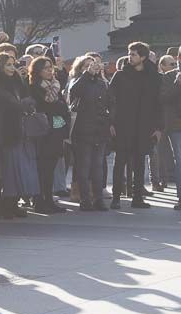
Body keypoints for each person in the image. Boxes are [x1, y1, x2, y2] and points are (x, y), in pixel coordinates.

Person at [109, 42, 163, 209]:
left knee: (139, 163)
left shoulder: (153, 76)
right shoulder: (120, 75)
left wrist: (158, 128)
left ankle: (137, 197)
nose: (129, 57)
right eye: (129, 53)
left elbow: (158, 103)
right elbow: (110, 99)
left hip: (144, 126)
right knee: (120, 162)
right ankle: (116, 197)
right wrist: (111, 122)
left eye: (133, 54)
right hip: (123, 125)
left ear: (143, 57)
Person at [0, 53, 38, 218]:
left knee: (16, 169)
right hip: (4, 129)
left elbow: (27, 98)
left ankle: (13, 204)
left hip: (18, 129)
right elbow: (11, 103)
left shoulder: (17, 81)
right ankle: (3, 205)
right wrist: (23, 104)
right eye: (8, 64)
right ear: (0, 66)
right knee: (6, 170)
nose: (11, 68)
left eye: (13, 64)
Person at [67, 55, 111, 211]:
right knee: (84, 166)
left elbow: (109, 102)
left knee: (97, 166)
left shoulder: (101, 83)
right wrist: (87, 74)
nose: (92, 67)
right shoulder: (77, 81)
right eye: (87, 65)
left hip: (99, 130)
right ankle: (85, 199)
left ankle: (98, 198)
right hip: (83, 130)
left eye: (93, 65)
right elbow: (74, 91)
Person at [28, 56, 70, 213]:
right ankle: (39, 200)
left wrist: (57, 105)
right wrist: (56, 106)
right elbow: (46, 107)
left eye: (50, 67)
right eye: (46, 68)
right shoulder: (34, 87)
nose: (50, 70)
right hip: (43, 131)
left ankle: (49, 199)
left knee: (51, 167)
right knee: (42, 168)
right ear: (38, 70)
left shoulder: (55, 85)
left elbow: (63, 108)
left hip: (56, 130)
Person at [161, 57, 181, 210]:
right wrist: (177, 84)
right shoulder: (169, 77)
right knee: (180, 160)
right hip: (176, 126)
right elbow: (163, 98)